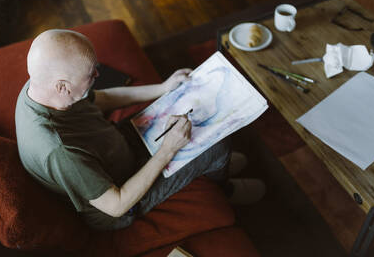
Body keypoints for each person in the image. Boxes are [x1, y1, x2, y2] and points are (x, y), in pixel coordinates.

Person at [15, 29, 265, 230]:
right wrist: (167, 151)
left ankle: (217, 165)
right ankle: (223, 185)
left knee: (195, 120)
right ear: (62, 86)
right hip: (121, 197)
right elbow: (116, 205)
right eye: (91, 75)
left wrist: (163, 88)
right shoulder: (59, 151)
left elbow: (102, 99)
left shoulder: (42, 86)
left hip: (115, 148)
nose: (98, 75)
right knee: (215, 146)